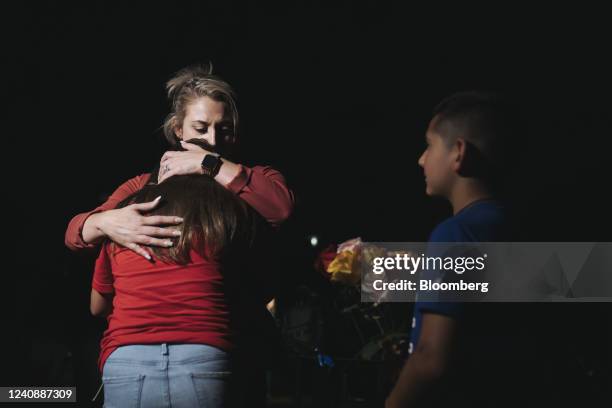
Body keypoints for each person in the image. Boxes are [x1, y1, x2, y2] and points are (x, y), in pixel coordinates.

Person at [65, 63, 294, 407]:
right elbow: (74, 233)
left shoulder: (251, 179)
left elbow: (281, 208)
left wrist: (209, 165)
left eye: (225, 129)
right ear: (178, 129)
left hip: (224, 348)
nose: (214, 140)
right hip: (204, 351)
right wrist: (104, 223)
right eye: (201, 127)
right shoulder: (142, 187)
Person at [385, 91, 513, 408]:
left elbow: (431, 360)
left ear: (458, 153)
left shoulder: (454, 234)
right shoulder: (514, 227)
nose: (421, 159)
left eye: (429, 146)